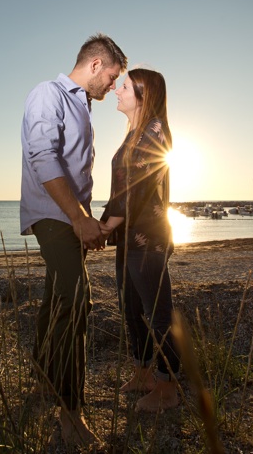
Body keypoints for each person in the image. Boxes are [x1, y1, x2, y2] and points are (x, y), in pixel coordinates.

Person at [20, 33, 127, 446]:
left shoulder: (83, 107)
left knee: (57, 297)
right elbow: (42, 156)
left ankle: (45, 379)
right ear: (96, 64)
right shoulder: (48, 94)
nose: (113, 86)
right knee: (77, 300)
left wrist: (85, 223)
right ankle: (70, 415)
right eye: (113, 76)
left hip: (70, 219)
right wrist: (79, 218)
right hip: (53, 216)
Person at [99, 68, 180, 412]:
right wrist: (108, 227)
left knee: (157, 313)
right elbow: (120, 190)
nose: (117, 89)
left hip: (149, 239)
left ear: (144, 97)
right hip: (128, 235)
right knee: (131, 308)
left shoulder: (155, 131)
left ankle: (168, 389)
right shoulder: (134, 132)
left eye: (126, 85)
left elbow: (135, 189)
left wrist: (101, 228)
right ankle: (144, 372)